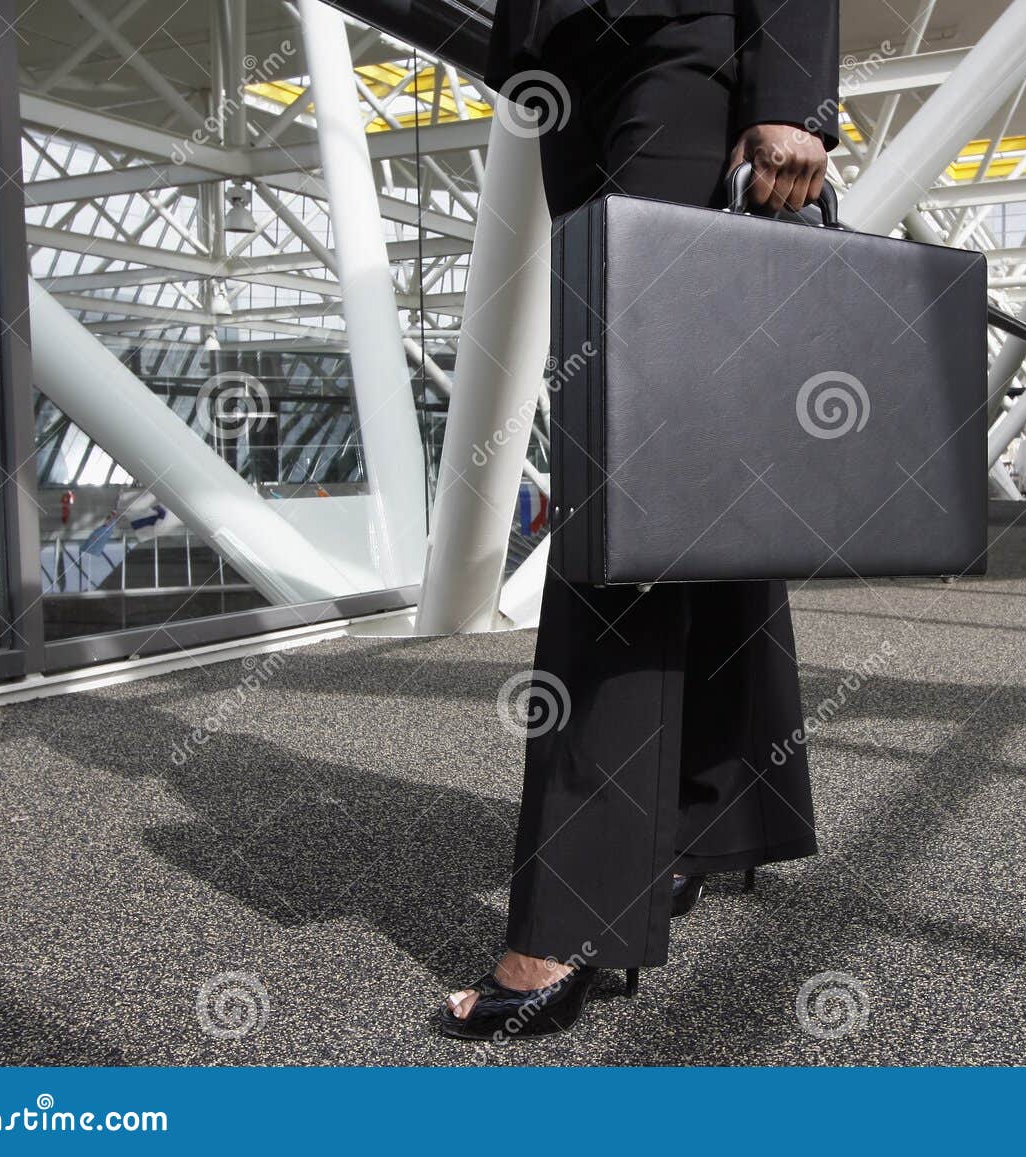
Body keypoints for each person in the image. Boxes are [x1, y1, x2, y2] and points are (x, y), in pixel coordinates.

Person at [336, 0, 838, 1040]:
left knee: (625, 464)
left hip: (677, 37)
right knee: (674, 447)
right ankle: (710, 809)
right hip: (564, 57)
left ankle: (569, 917)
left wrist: (791, 97)